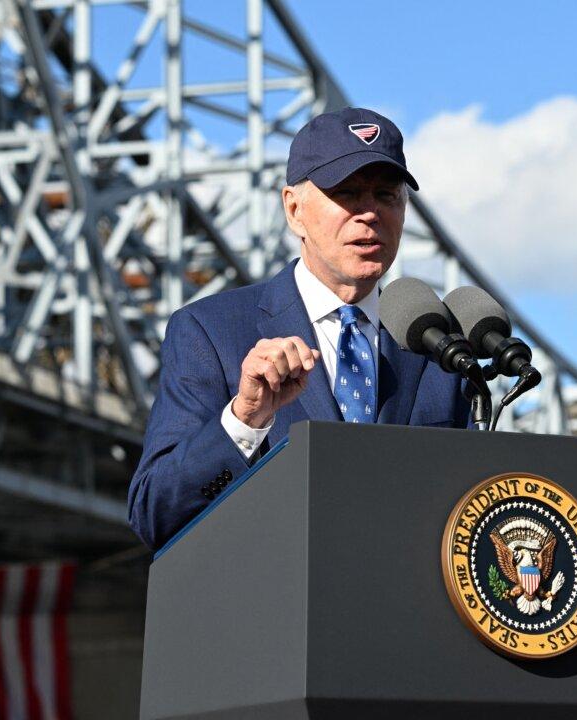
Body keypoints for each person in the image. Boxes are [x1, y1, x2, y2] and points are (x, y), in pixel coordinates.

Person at [127, 108, 469, 551]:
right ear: (294, 209)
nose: (369, 214)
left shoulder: (439, 344)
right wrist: (245, 419)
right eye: (347, 194)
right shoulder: (209, 332)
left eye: (386, 195)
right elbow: (155, 512)